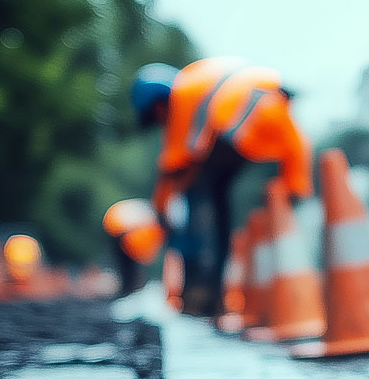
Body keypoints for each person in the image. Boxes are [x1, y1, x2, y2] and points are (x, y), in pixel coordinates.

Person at [130, 58, 314, 316]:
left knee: (200, 198)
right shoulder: (212, 82)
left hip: (233, 124)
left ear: (159, 101)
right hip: (253, 124)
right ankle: (215, 290)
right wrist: (296, 184)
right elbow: (297, 142)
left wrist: (160, 208)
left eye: (157, 115)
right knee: (216, 197)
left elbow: (174, 164)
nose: (161, 121)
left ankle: (203, 292)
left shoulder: (183, 91)